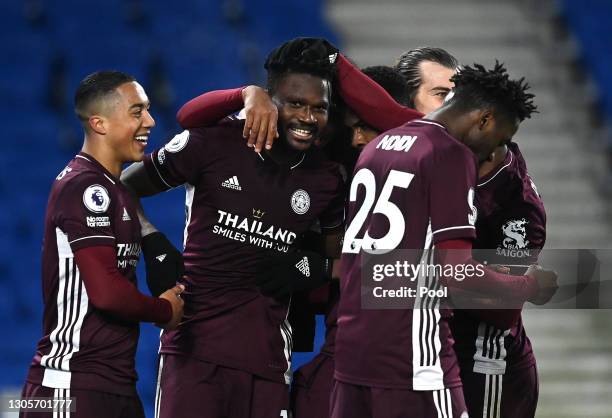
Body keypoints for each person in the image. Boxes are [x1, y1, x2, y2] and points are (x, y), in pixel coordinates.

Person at [120, 38, 346, 418]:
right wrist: (152, 239)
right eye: (295, 104)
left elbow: (336, 257)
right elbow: (123, 186)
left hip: (269, 360)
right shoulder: (214, 141)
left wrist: (310, 267)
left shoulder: (326, 179)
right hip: (193, 351)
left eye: (318, 108)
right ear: (270, 100)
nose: (308, 118)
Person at [332, 62, 557, 418]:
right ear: (483, 120)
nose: (496, 151)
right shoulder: (450, 156)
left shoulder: (380, 145)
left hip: (352, 355)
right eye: (500, 139)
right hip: (415, 360)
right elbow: (457, 273)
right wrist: (530, 286)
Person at [20, 71, 184, 418]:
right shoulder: (83, 187)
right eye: (137, 112)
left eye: (149, 110)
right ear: (100, 123)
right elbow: (106, 293)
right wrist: (165, 311)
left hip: (112, 386)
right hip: (66, 386)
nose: (151, 121)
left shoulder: (116, 189)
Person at [396, 48, 547, 418]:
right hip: (410, 360)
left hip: (480, 366)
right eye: (441, 95)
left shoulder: (513, 197)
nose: (453, 106)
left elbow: (502, 311)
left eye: (456, 95)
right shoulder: (396, 155)